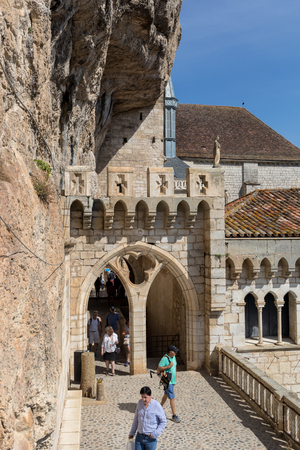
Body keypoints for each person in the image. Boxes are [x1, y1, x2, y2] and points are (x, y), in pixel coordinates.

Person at [157, 344, 181, 423]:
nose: (176, 353)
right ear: (170, 352)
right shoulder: (165, 358)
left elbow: (175, 367)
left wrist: (175, 378)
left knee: (166, 395)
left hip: (172, 381)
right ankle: (174, 415)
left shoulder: (173, 357)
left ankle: (158, 408)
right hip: (168, 381)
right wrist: (168, 366)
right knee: (172, 397)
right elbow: (159, 368)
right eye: (175, 351)